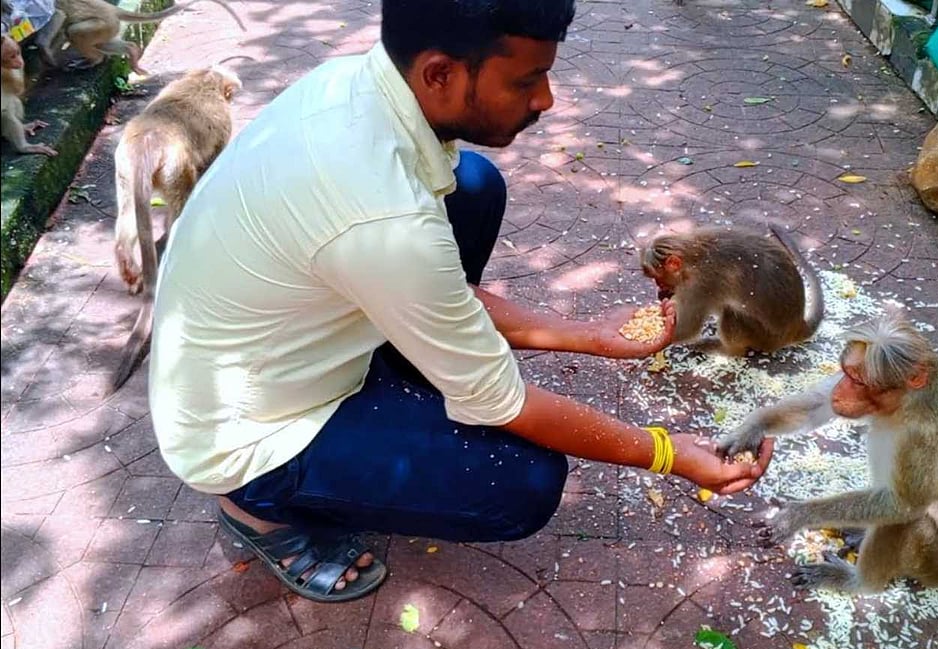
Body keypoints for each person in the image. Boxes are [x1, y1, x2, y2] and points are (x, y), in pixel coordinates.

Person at [147, 0, 774, 603]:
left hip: (292, 334)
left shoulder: (360, 84)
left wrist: (586, 333)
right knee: (520, 483)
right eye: (527, 80)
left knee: (471, 187)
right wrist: (667, 452)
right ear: (440, 73)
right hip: (243, 430)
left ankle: (408, 375)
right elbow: (499, 397)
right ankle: (257, 509)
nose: (545, 100)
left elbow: (425, 280)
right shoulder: (382, 217)